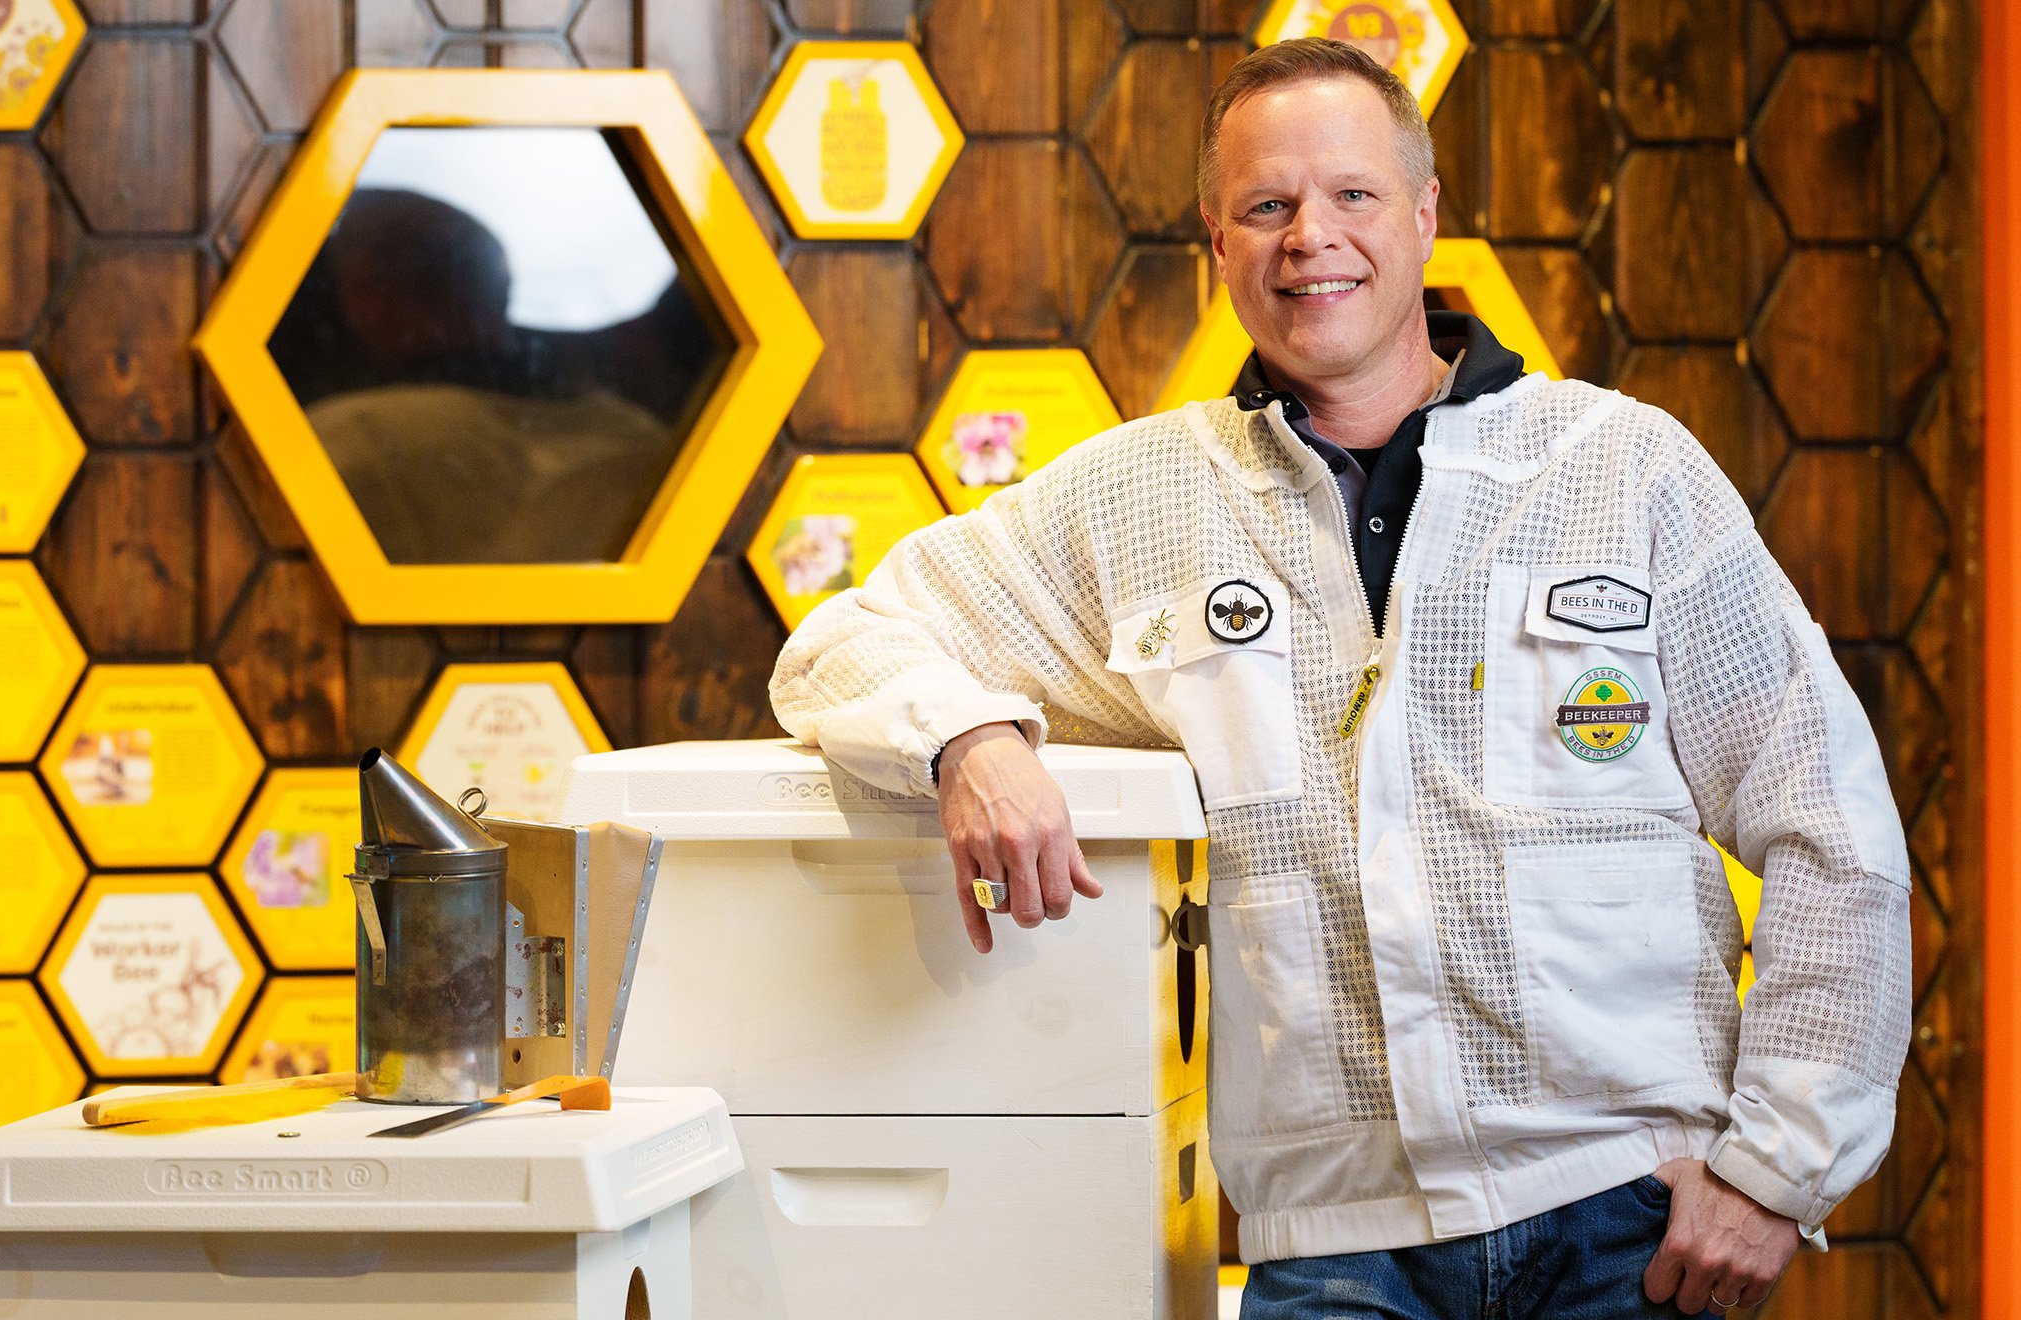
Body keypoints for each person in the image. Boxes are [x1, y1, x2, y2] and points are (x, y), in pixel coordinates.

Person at [770, 37, 1910, 1320]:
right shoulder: (1139, 499)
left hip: (1623, 1216)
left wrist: (1778, 1170)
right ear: (1219, 243)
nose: (1310, 237)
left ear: (1422, 215)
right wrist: (968, 742)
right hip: (1334, 1248)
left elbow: (1827, 821)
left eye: (1351, 195)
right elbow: (842, 640)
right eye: (1267, 206)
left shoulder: (1620, 468)